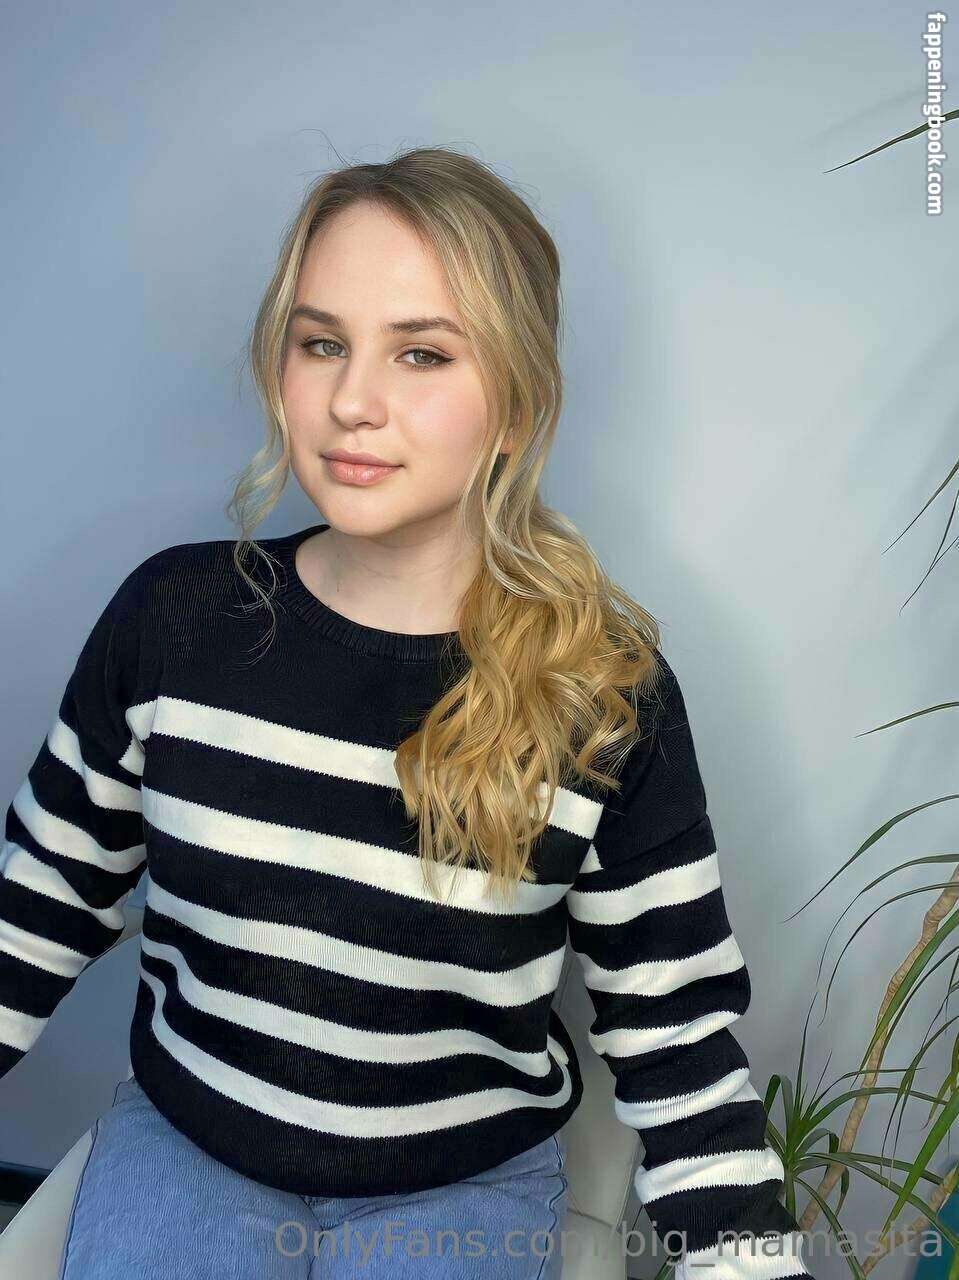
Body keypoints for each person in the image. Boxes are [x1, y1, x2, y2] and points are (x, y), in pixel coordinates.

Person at [0, 147, 812, 1279]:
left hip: (460, 1186)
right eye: (320, 342)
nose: (351, 401)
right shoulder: (172, 620)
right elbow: (41, 900)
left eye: (421, 352)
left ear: (516, 405)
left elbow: (673, 1035)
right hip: (188, 1144)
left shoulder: (603, 695)